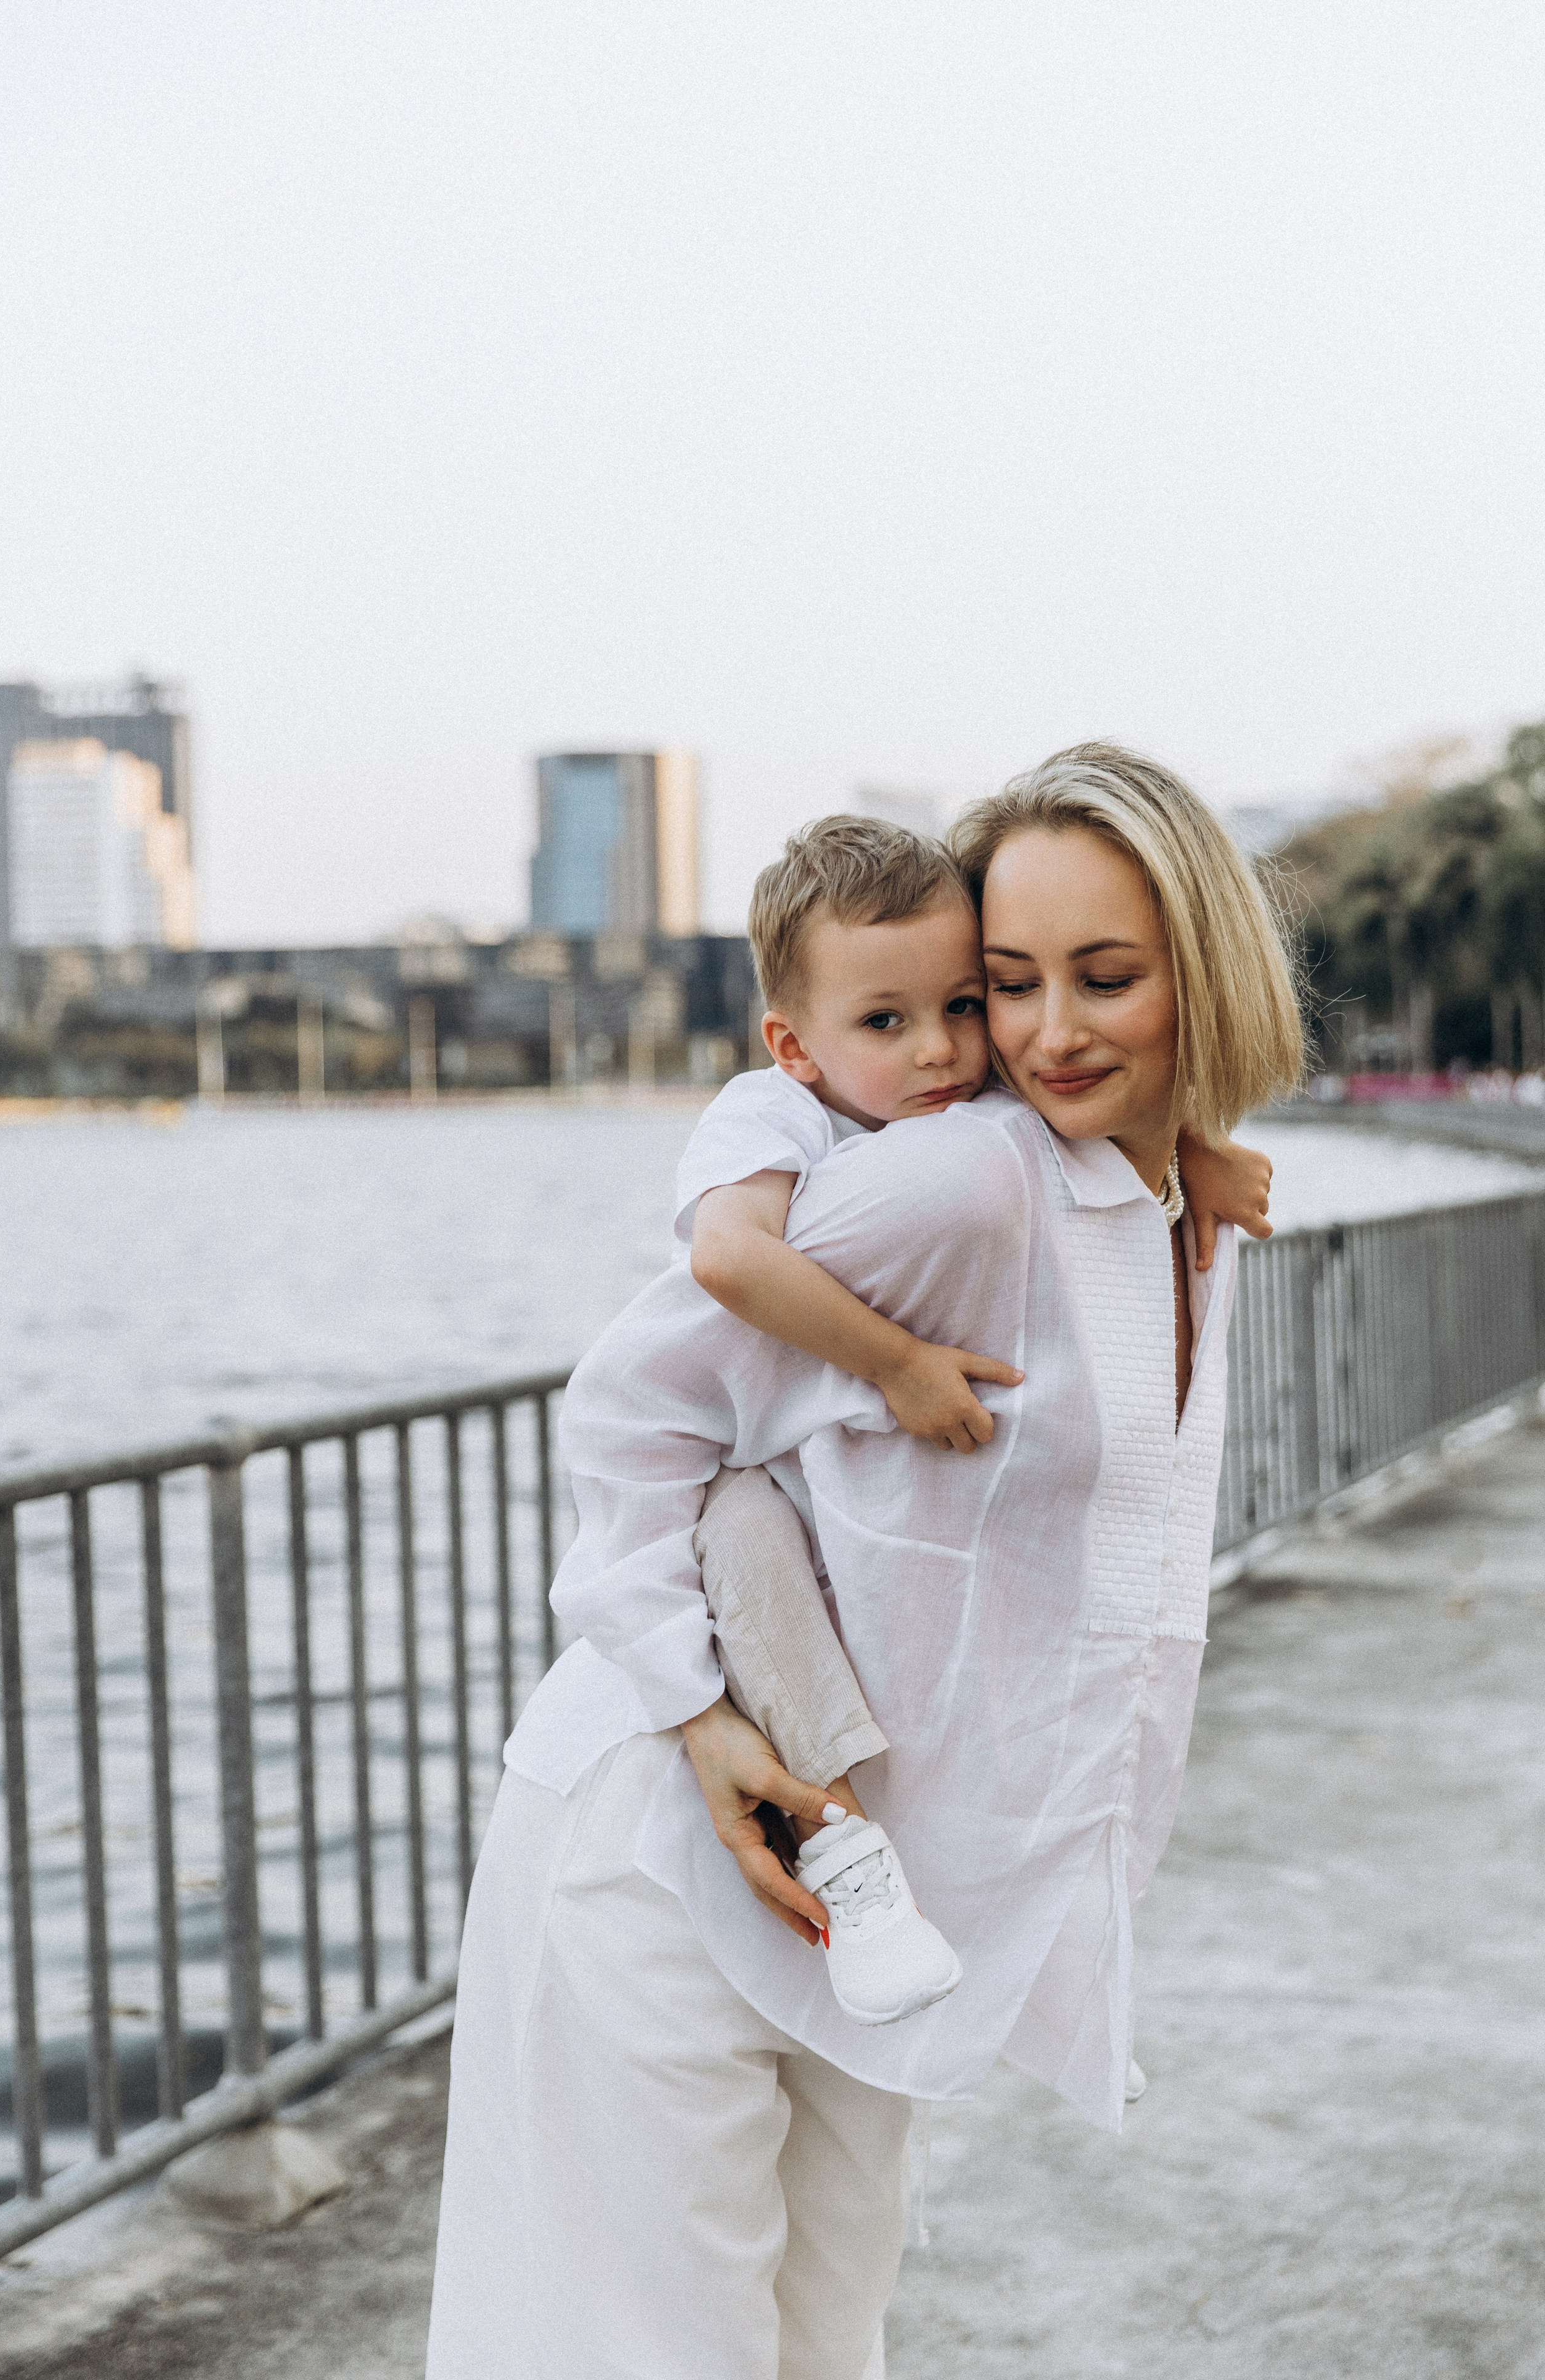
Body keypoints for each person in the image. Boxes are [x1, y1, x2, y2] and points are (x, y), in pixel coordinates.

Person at [426, 744, 1305, 2380]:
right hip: (677, 1834)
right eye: (1008, 985)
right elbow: (633, 1408)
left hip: (857, 1889)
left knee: (826, 2349)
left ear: (1207, 970)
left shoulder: (1168, 1203)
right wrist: (699, 1714)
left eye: (1105, 979)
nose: (1040, 1036)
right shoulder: (965, 1178)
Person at [675, 815, 1274, 2024]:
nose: (955, 1049)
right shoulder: (801, 1130)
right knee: (746, 1540)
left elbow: (1082, 1089)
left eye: (964, 1004)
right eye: (891, 1023)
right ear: (794, 1043)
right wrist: (893, 1366)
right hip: (718, 1575)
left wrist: (1188, 1146)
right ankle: (836, 1835)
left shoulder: (967, 1117)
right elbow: (702, 1306)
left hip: (805, 1554)